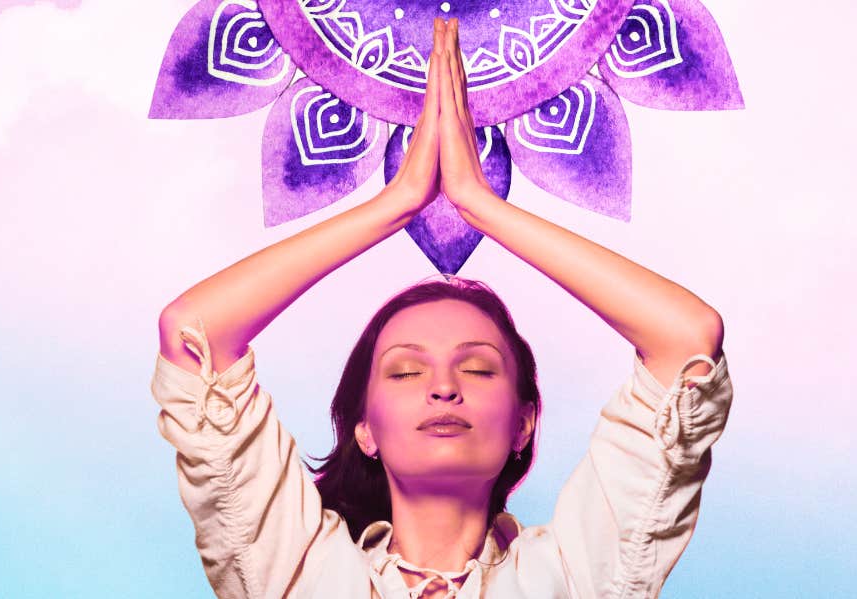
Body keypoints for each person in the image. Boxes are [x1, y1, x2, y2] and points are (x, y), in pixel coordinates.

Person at [150, 18, 734, 599]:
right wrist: (398, 202)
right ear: (365, 430)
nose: (443, 389)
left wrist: (478, 204)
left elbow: (686, 342)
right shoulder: (297, 574)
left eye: (478, 368)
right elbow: (194, 334)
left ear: (523, 424)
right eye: (405, 371)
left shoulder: (575, 576)